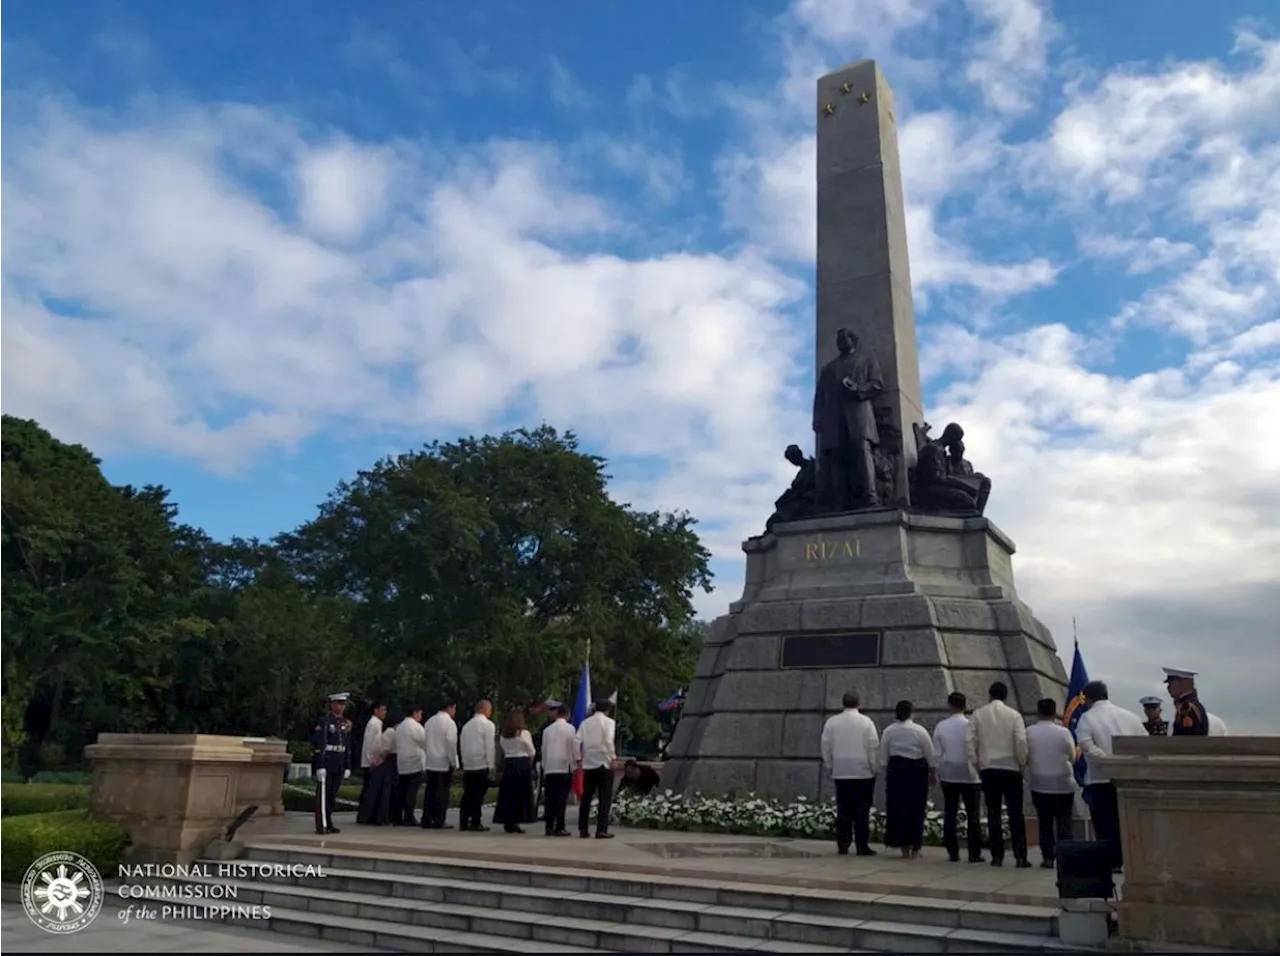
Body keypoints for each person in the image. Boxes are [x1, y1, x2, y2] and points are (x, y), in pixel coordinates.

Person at [1076, 680, 1145, 871]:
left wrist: (1108, 760)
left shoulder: (1087, 718)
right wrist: (1125, 762)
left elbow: (1086, 746)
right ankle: (1133, 858)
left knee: (1105, 823)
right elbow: (1144, 743)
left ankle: (1112, 861)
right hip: (1129, 777)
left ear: (1088, 698)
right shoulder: (1130, 717)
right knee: (1128, 821)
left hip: (1101, 777)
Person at [813, 327, 884, 510]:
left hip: (858, 414)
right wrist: (817, 418)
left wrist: (858, 389)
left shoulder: (866, 361)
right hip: (833, 418)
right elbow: (820, 396)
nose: (841, 341)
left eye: (844, 338)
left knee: (862, 451)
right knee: (836, 458)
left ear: (853, 340)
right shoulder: (828, 369)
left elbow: (877, 385)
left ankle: (871, 497)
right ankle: (839, 501)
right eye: (838, 339)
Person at [966, 681, 1030, 868]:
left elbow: (969, 740)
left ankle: (997, 856)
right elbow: (1020, 740)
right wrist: (1022, 762)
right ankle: (1020, 856)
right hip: (1011, 768)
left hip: (989, 768)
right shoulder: (1014, 715)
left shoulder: (978, 714)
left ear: (990, 695)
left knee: (993, 812)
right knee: (1015, 813)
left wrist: (976, 762)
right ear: (1005, 695)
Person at [819, 691, 879, 856]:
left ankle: (843, 844)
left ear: (843, 703)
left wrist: (831, 765)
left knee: (843, 810)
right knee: (862, 811)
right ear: (858, 703)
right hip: (863, 772)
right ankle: (862, 845)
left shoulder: (832, 722)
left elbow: (825, 745)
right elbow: (873, 746)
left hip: (841, 771)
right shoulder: (866, 722)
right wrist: (874, 767)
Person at [879, 700, 936, 859]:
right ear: (912, 712)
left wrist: (885, 770)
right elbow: (929, 753)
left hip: (896, 770)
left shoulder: (889, 731)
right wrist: (933, 772)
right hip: (916, 770)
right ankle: (915, 847)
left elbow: (883, 755)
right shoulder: (920, 731)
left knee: (898, 809)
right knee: (916, 808)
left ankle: (902, 845)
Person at [933, 691, 983, 864]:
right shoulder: (971, 725)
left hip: (949, 773)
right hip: (970, 774)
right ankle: (974, 853)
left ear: (950, 705)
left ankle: (952, 851)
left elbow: (937, 754)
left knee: (950, 812)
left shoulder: (941, 726)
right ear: (965, 705)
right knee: (973, 814)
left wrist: (936, 772)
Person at [1026, 698, 1077, 869]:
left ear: (1038, 712)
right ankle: (1065, 858)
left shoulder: (1029, 732)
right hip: (1062, 783)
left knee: (1045, 822)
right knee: (1064, 823)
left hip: (1039, 783)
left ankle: (1047, 857)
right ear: (1055, 713)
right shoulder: (1063, 732)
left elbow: (1024, 756)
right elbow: (1073, 756)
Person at [310, 692, 353, 835]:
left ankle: (329, 821)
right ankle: (321, 823)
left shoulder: (344, 723)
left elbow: (346, 745)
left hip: (339, 761)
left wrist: (347, 765)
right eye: (338, 704)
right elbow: (320, 744)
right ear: (332, 705)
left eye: (343, 704)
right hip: (328, 761)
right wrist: (320, 765)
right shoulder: (325, 721)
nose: (341, 707)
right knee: (324, 794)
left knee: (332, 795)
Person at [576, 698, 617, 839]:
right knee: (604, 798)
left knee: (586, 797)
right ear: (607, 710)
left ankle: (583, 828)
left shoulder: (585, 722)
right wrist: (613, 757)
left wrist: (578, 758)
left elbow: (577, 740)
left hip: (589, 762)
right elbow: (608, 740)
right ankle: (601, 829)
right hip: (604, 761)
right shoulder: (609, 723)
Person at [492, 709, 537, 834]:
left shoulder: (504, 735)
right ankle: (518, 819)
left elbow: (502, 750)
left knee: (509, 794)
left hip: (509, 763)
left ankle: (508, 820)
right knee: (520, 794)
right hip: (522, 763)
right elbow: (532, 750)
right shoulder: (523, 733)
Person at [459, 700, 497, 832]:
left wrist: (464, 762)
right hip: (481, 763)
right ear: (485, 710)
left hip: (469, 764)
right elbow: (489, 746)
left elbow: (462, 745)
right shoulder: (488, 725)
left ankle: (464, 820)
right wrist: (491, 765)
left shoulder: (466, 726)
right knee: (478, 795)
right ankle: (475, 821)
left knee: (468, 793)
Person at [421, 702, 459, 829]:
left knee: (430, 792)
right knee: (442, 793)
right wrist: (454, 762)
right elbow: (451, 744)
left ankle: (427, 818)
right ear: (450, 708)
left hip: (431, 760)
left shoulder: (429, 722)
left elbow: (424, 741)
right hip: (443, 762)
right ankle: (439, 819)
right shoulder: (449, 723)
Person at [540, 704, 576, 837]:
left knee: (550, 798)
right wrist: (574, 766)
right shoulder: (570, 729)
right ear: (567, 715)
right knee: (561, 798)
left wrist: (544, 766)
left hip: (550, 767)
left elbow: (543, 749)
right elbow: (572, 748)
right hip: (563, 766)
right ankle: (559, 826)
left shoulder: (547, 730)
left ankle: (549, 825)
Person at [357, 718, 397, 826]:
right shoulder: (391, 732)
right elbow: (386, 750)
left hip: (378, 762)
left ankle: (369, 816)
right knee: (384, 791)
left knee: (374, 791)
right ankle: (381, 817)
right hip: (385, 762)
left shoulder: (383, 733)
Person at [392, 705, 426, 826]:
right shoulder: (416, 726)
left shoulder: (400, 727)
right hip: (414, 763)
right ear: (415, 713)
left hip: (402, 763)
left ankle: (397, 817)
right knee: (411, 793)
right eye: (420, 713)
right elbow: (424, 742)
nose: (421, 716)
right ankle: (409, 816)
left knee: (402, 791)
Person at [357, 701, 388, 819]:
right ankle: (366, 815)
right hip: (371, 762)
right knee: (370, 790)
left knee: (369, 789)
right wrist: (373, 761)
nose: (385, 712)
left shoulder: (376, 723)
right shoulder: (374, 724)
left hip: (371, 760)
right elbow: (371, 744)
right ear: (376, 710)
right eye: (382, 710)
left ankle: (366, 815)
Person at [1163, 667, 1209, 736]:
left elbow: (1185, 739)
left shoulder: (1186, 708)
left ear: (1182, 682)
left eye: (1171, 683)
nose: (1168, 687)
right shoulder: (1193, 705)